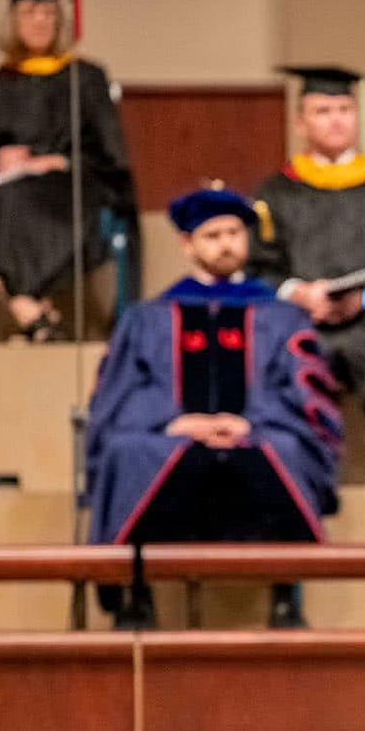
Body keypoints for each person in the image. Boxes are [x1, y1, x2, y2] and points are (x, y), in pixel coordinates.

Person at [83, 188, 341, 629]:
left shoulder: (281, 317)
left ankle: (285, 594)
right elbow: (120, 394)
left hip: (254, 432)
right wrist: (174, 421)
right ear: (188, 244)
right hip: (171, 437)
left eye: (234, 232)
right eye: (212, 235)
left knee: (286, 448)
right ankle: (136, 595)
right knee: (130, 451)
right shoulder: (148, 317)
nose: (225, 243)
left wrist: (249, 420)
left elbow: (302, 391)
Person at [248, 65, 365, 485]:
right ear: (301, 121)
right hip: (299, 319)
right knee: (268, 330)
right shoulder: (276, 191)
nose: (336, 119)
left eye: (345, 109)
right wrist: (297, 293)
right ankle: (292, 457)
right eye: (323, 110)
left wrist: (364, 297)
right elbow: (258, 267)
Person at [0, 0, 136, 342]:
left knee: (6, 203)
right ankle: (34, 314)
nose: (40, 21)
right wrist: (0, 159)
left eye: (49, 11)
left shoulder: (86, 78)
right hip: (8, 189)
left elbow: (112, 154)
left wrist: (56, 160)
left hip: (72, 187)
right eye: (30, 11)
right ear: (13, 19)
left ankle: (25, 310)